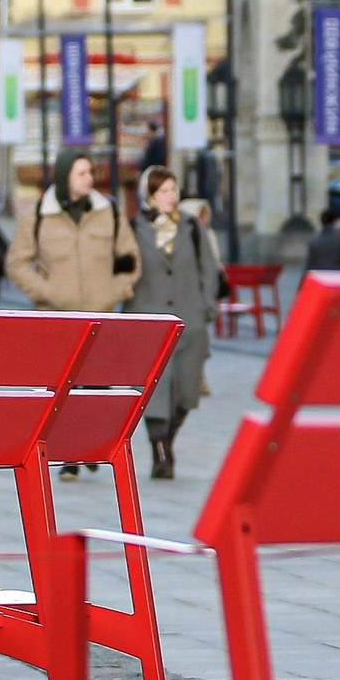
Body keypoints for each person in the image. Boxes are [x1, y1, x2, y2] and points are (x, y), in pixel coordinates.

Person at [8, 151, 139, 479]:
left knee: (96, 390)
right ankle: (69, 456)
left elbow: (130, 260)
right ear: (65, 175)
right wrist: (44, 291)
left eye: (90, 172)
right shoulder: (40, 215)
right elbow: (17, 263)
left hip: (101, 316)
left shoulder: (107, 212)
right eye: (81, 173)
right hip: (58, 318)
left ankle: (89, 447)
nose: (89, 179)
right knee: (64, 390)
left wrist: (114, 292)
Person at [127, 165, 222, 479]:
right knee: (153, 390)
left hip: (189, 318)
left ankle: (169, 437)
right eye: (163, 191)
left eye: (173, 189)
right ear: (149, 196)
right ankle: (160, 450)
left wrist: (207, 306)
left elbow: (209, 269)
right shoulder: (132, 228)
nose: (171, 196)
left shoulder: (192, 227)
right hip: (148, 319)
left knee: (185, 390)